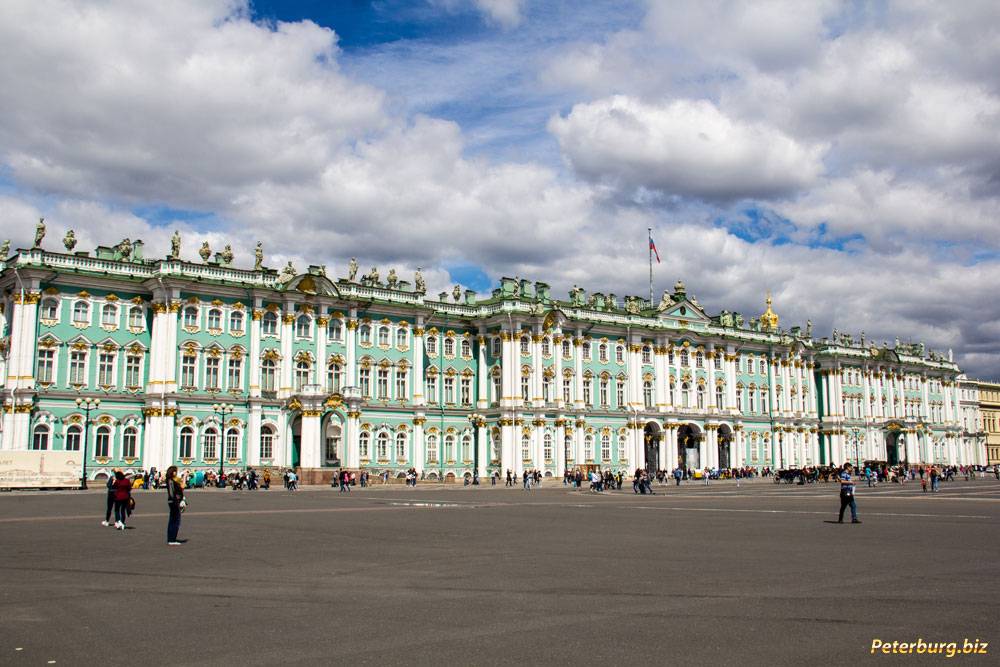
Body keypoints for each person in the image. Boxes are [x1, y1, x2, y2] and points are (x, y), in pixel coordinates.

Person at [166, 466, 185, 545]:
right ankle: (172, 539)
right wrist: (177, 500)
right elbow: (172, 492)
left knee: (173, 520)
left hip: (174, 501)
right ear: (172, 472)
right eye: (175, 471)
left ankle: (171, 538)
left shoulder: (172, 480)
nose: (176, 472)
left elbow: (182, 487)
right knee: (175, 520)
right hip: (174, 502)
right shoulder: (171, 481)